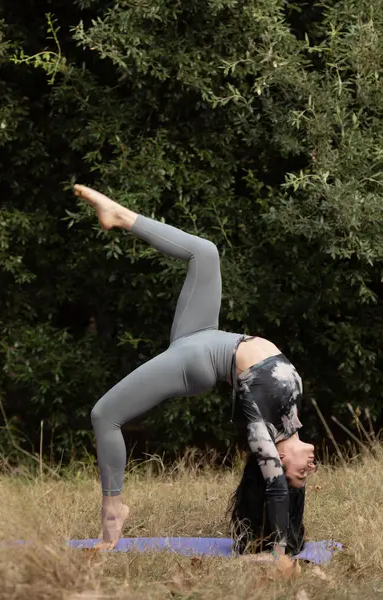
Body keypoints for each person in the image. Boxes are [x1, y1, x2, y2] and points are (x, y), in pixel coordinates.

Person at [73, 184, 316, 556]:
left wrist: (282, 554)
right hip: (204, 332)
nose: (310, 469)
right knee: (206, 252)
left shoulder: (261, 430)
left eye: (300, 475)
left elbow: (276, 488)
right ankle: (120, 215)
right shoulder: (291, 415)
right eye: (305, 476)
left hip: (197, 361)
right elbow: (283, 482)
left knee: (104, 415)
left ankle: (112, 512)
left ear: (279, 462)